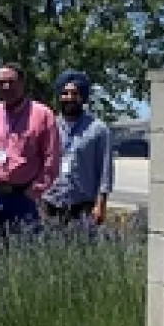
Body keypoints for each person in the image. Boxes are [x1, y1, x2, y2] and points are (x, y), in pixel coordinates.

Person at [0, 64, 60, 235]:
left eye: (11, 82)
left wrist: (34, 191)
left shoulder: (43, 115)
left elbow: (51, 159)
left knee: (22, 249)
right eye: (1, 83)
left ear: (22, 83)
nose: (6, 87)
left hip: (23, 198)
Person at [45, 71, 115, 225]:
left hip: (83, 207)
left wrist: (101, 204)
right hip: (51, 203)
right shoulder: (49, 126)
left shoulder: (98, 129)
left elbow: (105, 170)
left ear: (83, 97)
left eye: (75, 93)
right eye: (65, 93)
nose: (69, 98)